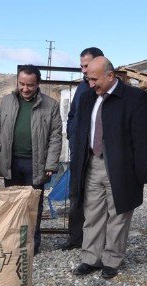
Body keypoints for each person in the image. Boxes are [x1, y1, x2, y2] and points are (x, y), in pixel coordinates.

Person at [72, 56, 147, 279]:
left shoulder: (135, 98)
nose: (91, 84)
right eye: (88, 79)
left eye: (95, 79)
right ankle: (91, 258)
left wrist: (142, 171)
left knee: (118, 214)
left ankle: (111, 260)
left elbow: (143, 137)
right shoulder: (88, 96)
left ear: (110, 75)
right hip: (93, 164)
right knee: (92, 214)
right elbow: (80, 130)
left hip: (121, 167)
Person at [0, 64, 62, 254]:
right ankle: (13, 243)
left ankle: (31, 246)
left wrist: (51, 164)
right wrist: (0, 151)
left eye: (30, 85)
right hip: (11, 162)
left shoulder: (51, 105)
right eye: (21, 84)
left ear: (37, 84)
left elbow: (56, 136)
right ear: (17, 81)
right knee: (11, 204)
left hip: (36, 164)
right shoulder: (7, 101)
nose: (25, 89)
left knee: (32, 206)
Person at [62, 47, 104, 251]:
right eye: (81, 66)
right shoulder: (81, 88)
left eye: (86, 66)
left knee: (96, 198)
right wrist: (72, 135)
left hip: (98, 154)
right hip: (78, 151)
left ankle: (95, 240)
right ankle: (75, 237)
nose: (83, 70)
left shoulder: (105, 88)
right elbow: (72, 115)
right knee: (76, 193)